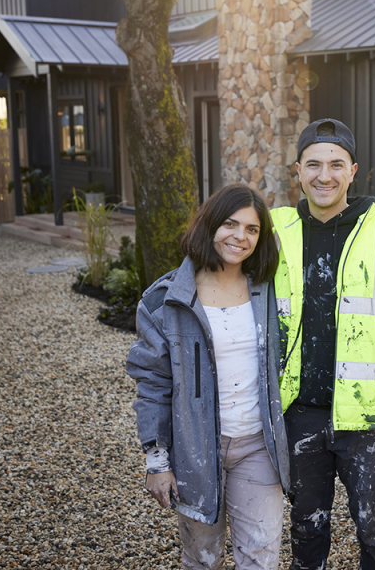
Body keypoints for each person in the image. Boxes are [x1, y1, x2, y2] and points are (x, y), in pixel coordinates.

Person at [271, 118, 375, 570]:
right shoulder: (274, 234)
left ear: (353, 171)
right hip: (300, 411)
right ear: (297, 171)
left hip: (369, 419)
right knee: (306, 527)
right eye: (313, 164)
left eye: (335, 164)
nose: (323, 175)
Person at [126, 184, 290, 570]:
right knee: (202, 558)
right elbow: (152, 385)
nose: (240, 237)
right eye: (230, 224)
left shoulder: (269, 292)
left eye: (252, 229)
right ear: (210, 225)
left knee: (261, 558)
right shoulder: (165, 301)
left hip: (257, 447)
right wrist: (157, 460)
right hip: (195, 452)